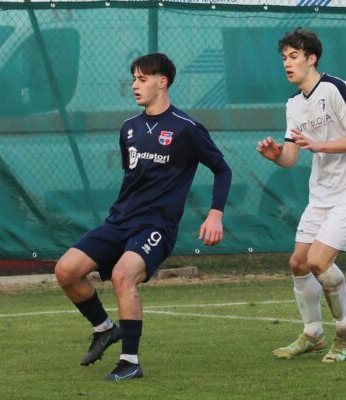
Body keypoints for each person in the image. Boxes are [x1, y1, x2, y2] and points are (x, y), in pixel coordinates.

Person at [55, 53, 232, 381]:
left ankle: (130, 361)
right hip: (119, 221)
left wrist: (215, 215)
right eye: (134, 79)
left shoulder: (186, 128)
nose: (135, 85)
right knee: (66, 270)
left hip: (156, 226)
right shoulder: (129, 128)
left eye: (142, 79)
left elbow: (222, 169)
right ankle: (105, 329)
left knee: (123, 276)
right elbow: (133, 177)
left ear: (162, 82)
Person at [257, 28, 346, 363]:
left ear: (312, 58)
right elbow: (291, 158)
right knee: (299, 262)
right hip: (323, 194)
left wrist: (321, 144)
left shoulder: (336, 88)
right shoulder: (294, 105)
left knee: (318, 261)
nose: (287, 63)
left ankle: (345, 330)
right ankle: (312, 333)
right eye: (284, 57)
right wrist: (275, 156)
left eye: (294, 56)